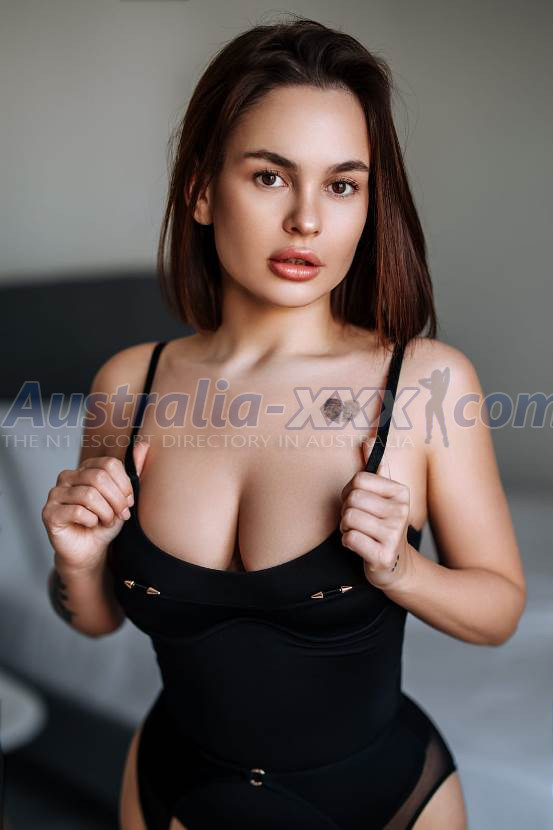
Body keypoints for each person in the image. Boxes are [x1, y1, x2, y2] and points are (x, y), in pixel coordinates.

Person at [42, 15, 526, 830]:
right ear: (201, 190)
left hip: (382, 801)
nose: (306, 220)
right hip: (167, 789)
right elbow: (94, 621)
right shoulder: (129, 384)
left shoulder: (423, 380)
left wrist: (400, 570)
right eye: (269, 176)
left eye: (342, 185)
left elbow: (499, 609)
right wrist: (77, 561)